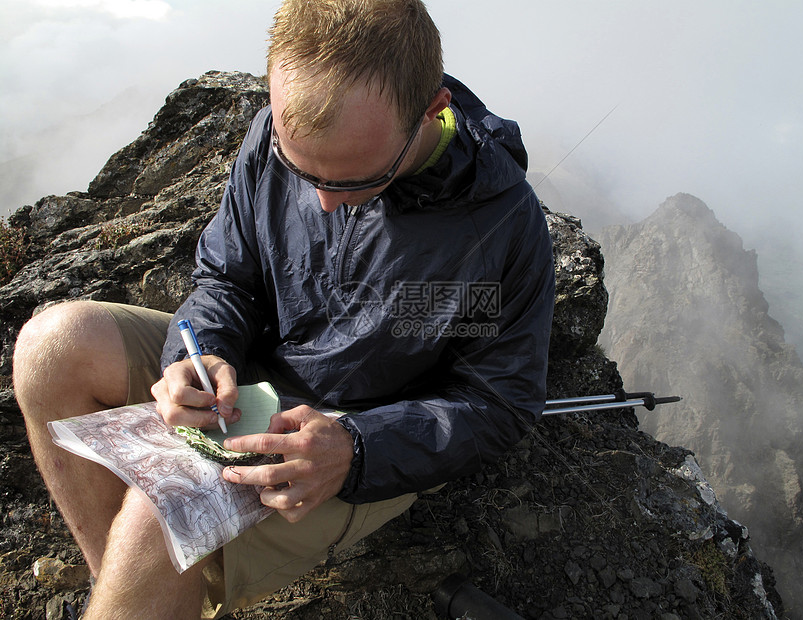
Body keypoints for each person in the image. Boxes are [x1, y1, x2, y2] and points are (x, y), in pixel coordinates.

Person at [13, 0, 555, 617]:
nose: (325, 201)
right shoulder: (273, 134)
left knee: (158, 514)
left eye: (354, 180)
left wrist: (357, 447)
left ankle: (147, 583)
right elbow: (226, 276)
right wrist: (204, 350)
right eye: (302, 170)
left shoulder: (498, 227)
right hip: (250, 385)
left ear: (432, 110)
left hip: (352, 431)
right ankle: (139, 591)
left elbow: (496, 401)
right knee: (50, 348)